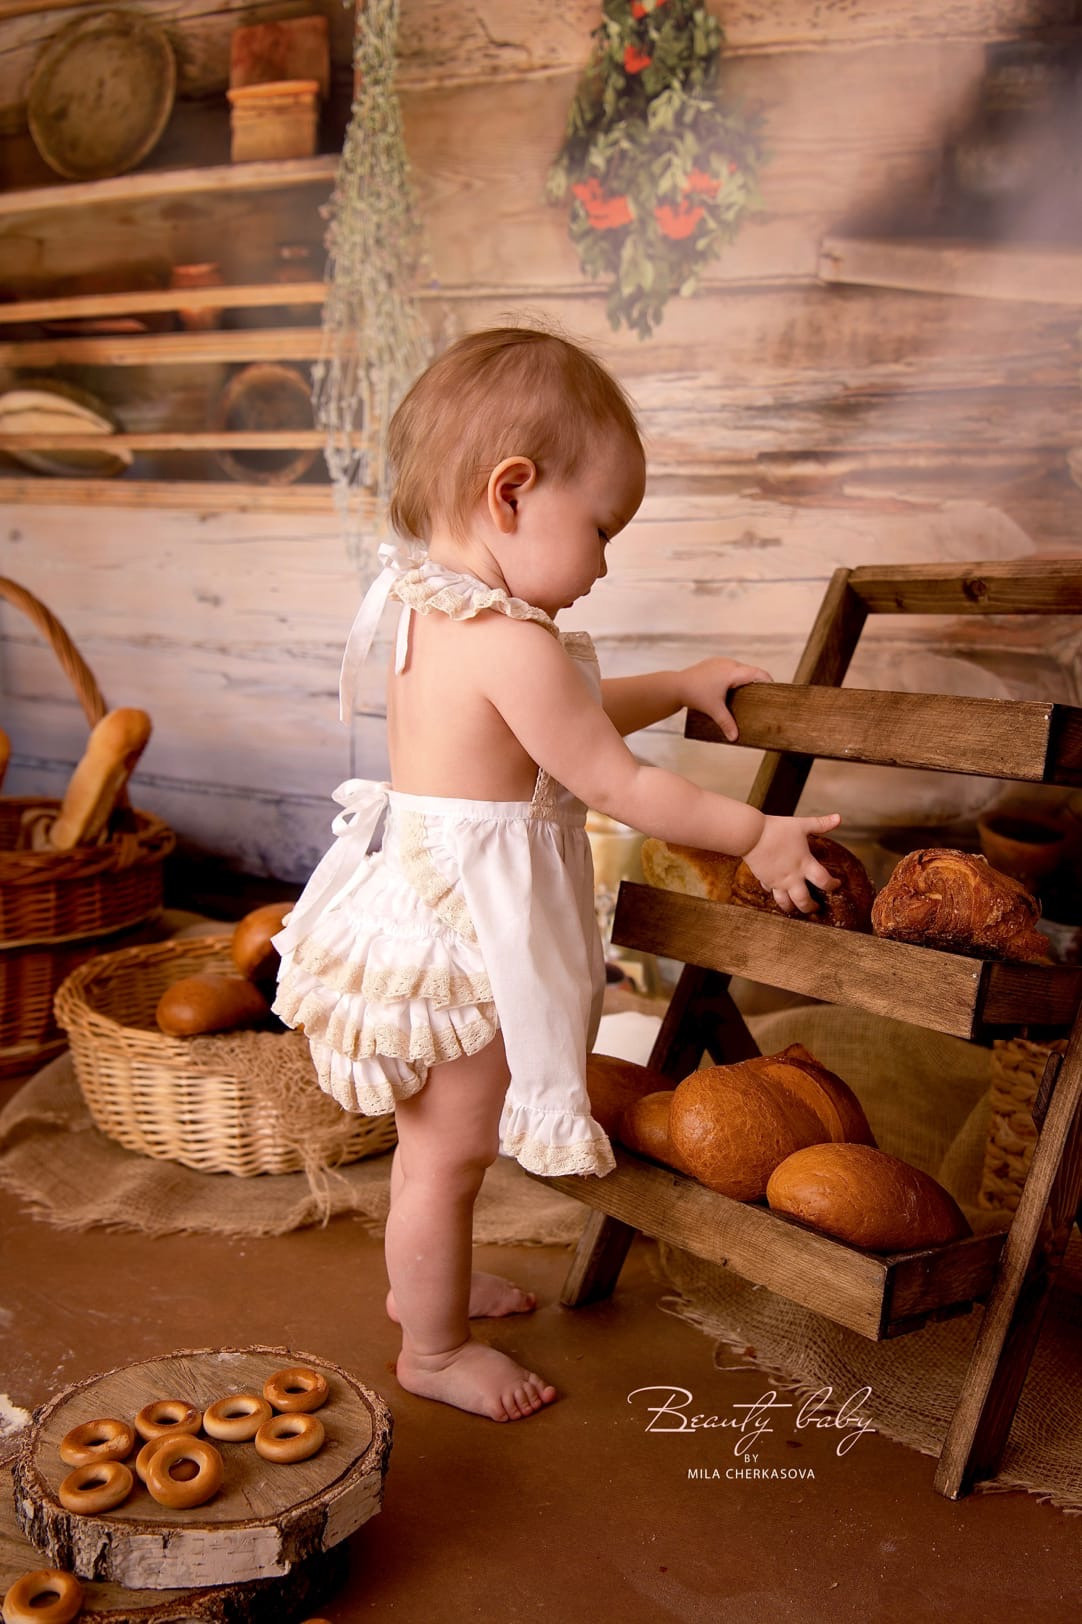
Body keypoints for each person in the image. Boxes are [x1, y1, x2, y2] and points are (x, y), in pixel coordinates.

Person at [273, 326, 841, 1425]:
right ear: (511, 494)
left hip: (431, 904)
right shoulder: (510, 642)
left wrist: (677, 680)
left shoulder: (429, 609)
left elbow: (557, 720)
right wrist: (751, 831)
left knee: (438, 1152)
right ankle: (432, 1347)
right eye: (599, 528)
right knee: (447, 1152)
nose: (604, 563)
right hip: (467, 932)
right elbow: (615, 780)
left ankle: (420, 1284)